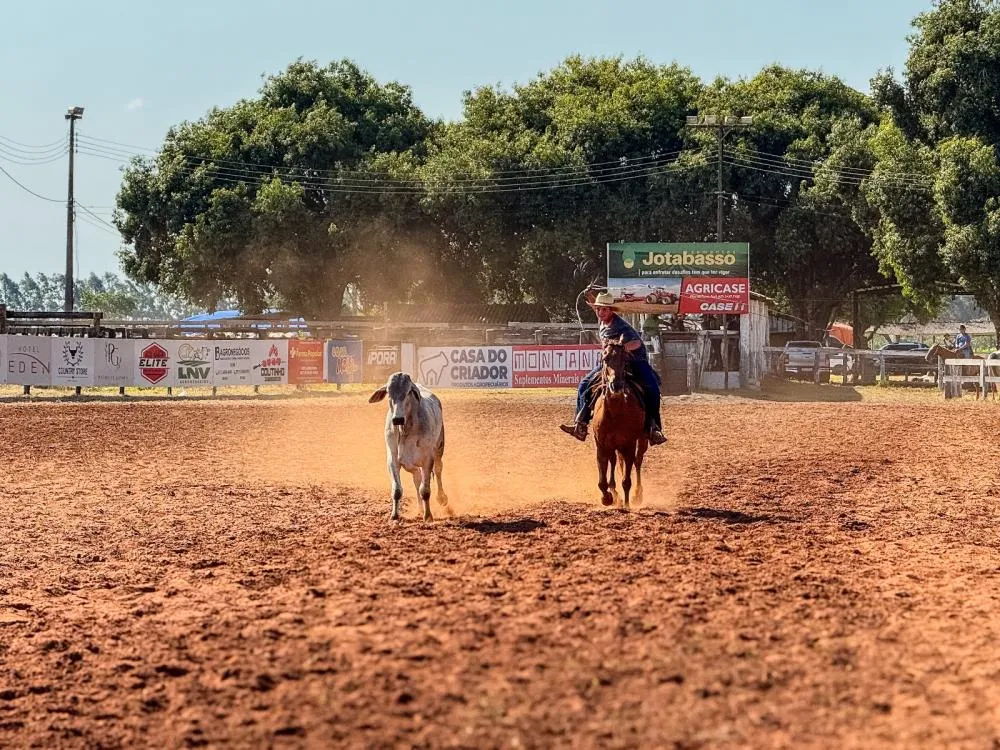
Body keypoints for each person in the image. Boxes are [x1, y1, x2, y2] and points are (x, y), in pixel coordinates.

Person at [560, 292, 667, 446]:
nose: (600, 312)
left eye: (604, 310)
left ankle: (653, 427)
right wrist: (590, 297)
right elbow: (598, 308)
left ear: (611, 310)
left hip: (635, 361)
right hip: (611, 362)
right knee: (584, 384)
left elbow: (637, 343)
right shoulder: (603, 319)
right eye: (598, 309)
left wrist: (622, 347)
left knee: (652, 389)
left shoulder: (622, 326)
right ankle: (580, 424)